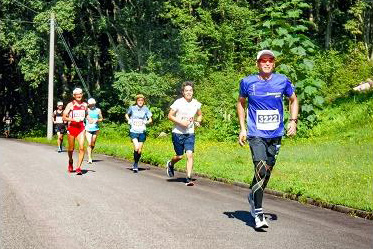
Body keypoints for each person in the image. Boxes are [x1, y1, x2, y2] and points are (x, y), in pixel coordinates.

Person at [236, 50, 299, 229]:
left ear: (274, 63)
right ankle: (258, 213)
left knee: (267, 172)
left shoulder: (282, 81)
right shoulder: (247, 82)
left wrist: (293, 121)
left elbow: (293, 100)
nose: (267, 63)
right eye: (263, 60)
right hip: (256, 134)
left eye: (270, 60)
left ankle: (253, 196)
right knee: (261, 169)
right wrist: (243, 128)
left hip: (275, 134)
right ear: (257, 63)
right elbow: (241, 103)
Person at [166, 81, 202, 186]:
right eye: (186, 90)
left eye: (190, 90)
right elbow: (170, 116)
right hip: (177, 132)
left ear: (193, 92)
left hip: (190, 133)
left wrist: (198, 121)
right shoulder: (178, 102)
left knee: (189, 155)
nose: (188, 92)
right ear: (183, 92)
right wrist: (181, 122)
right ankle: (171, 163)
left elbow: (199, 115)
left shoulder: (196, 103)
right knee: (179, 156)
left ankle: (188, 178)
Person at [63, 88, 88, 175]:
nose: (79, 95)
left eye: (80, 93)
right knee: (71, 149)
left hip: (81, 128)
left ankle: (78, 167)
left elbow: (87, 115)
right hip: (72, 128)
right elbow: (64, 117)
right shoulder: (70, 105)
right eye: (77, 94)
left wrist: (90, 118)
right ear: (74, 96)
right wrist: (73, 119)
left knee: (81, 147)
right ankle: (70, 161)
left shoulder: (85, 105)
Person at [125, 94, 152, 173]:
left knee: (139, 150)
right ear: (136, 101)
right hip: (133, 130)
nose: (140, 102)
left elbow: (150, 119)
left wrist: (146, 122)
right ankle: (135, 165)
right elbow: (126, 114)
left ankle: (135, 163)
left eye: (142, 100)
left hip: (142, 131)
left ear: (144, 101)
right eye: (139, 100)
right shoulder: (132, 108)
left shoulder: (146, 109)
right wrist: (129, 120)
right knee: (136, 147)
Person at [85, 98, 103, 164]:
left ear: (94, 104)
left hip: (95, 129)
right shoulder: (87, 110)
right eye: (90, 104)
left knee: (93, 144)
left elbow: (101, 118)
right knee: (89, 143)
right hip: (88, 129)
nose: (92, 105)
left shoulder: (98, 110)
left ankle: (90, 152)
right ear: (88, 104)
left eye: (93, 104)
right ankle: (89, 158)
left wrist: (97, 120)